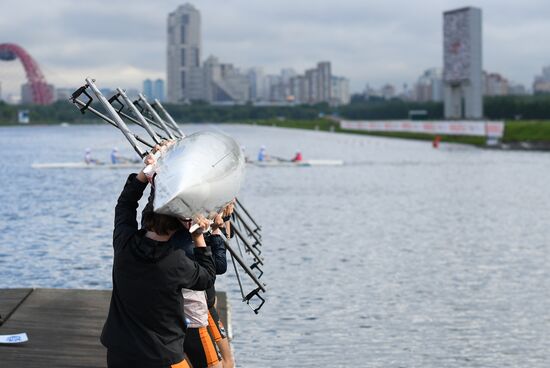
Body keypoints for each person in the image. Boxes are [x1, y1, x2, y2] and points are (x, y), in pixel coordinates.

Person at [100, 151, 217, 368]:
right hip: (163, 355)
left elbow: (125, 205)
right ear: (178, 225)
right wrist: (198, 235)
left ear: (148, 215)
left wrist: (145, 175)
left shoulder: (124, 243)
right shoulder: (177, 262)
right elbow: (207, 277)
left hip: (120, 352)